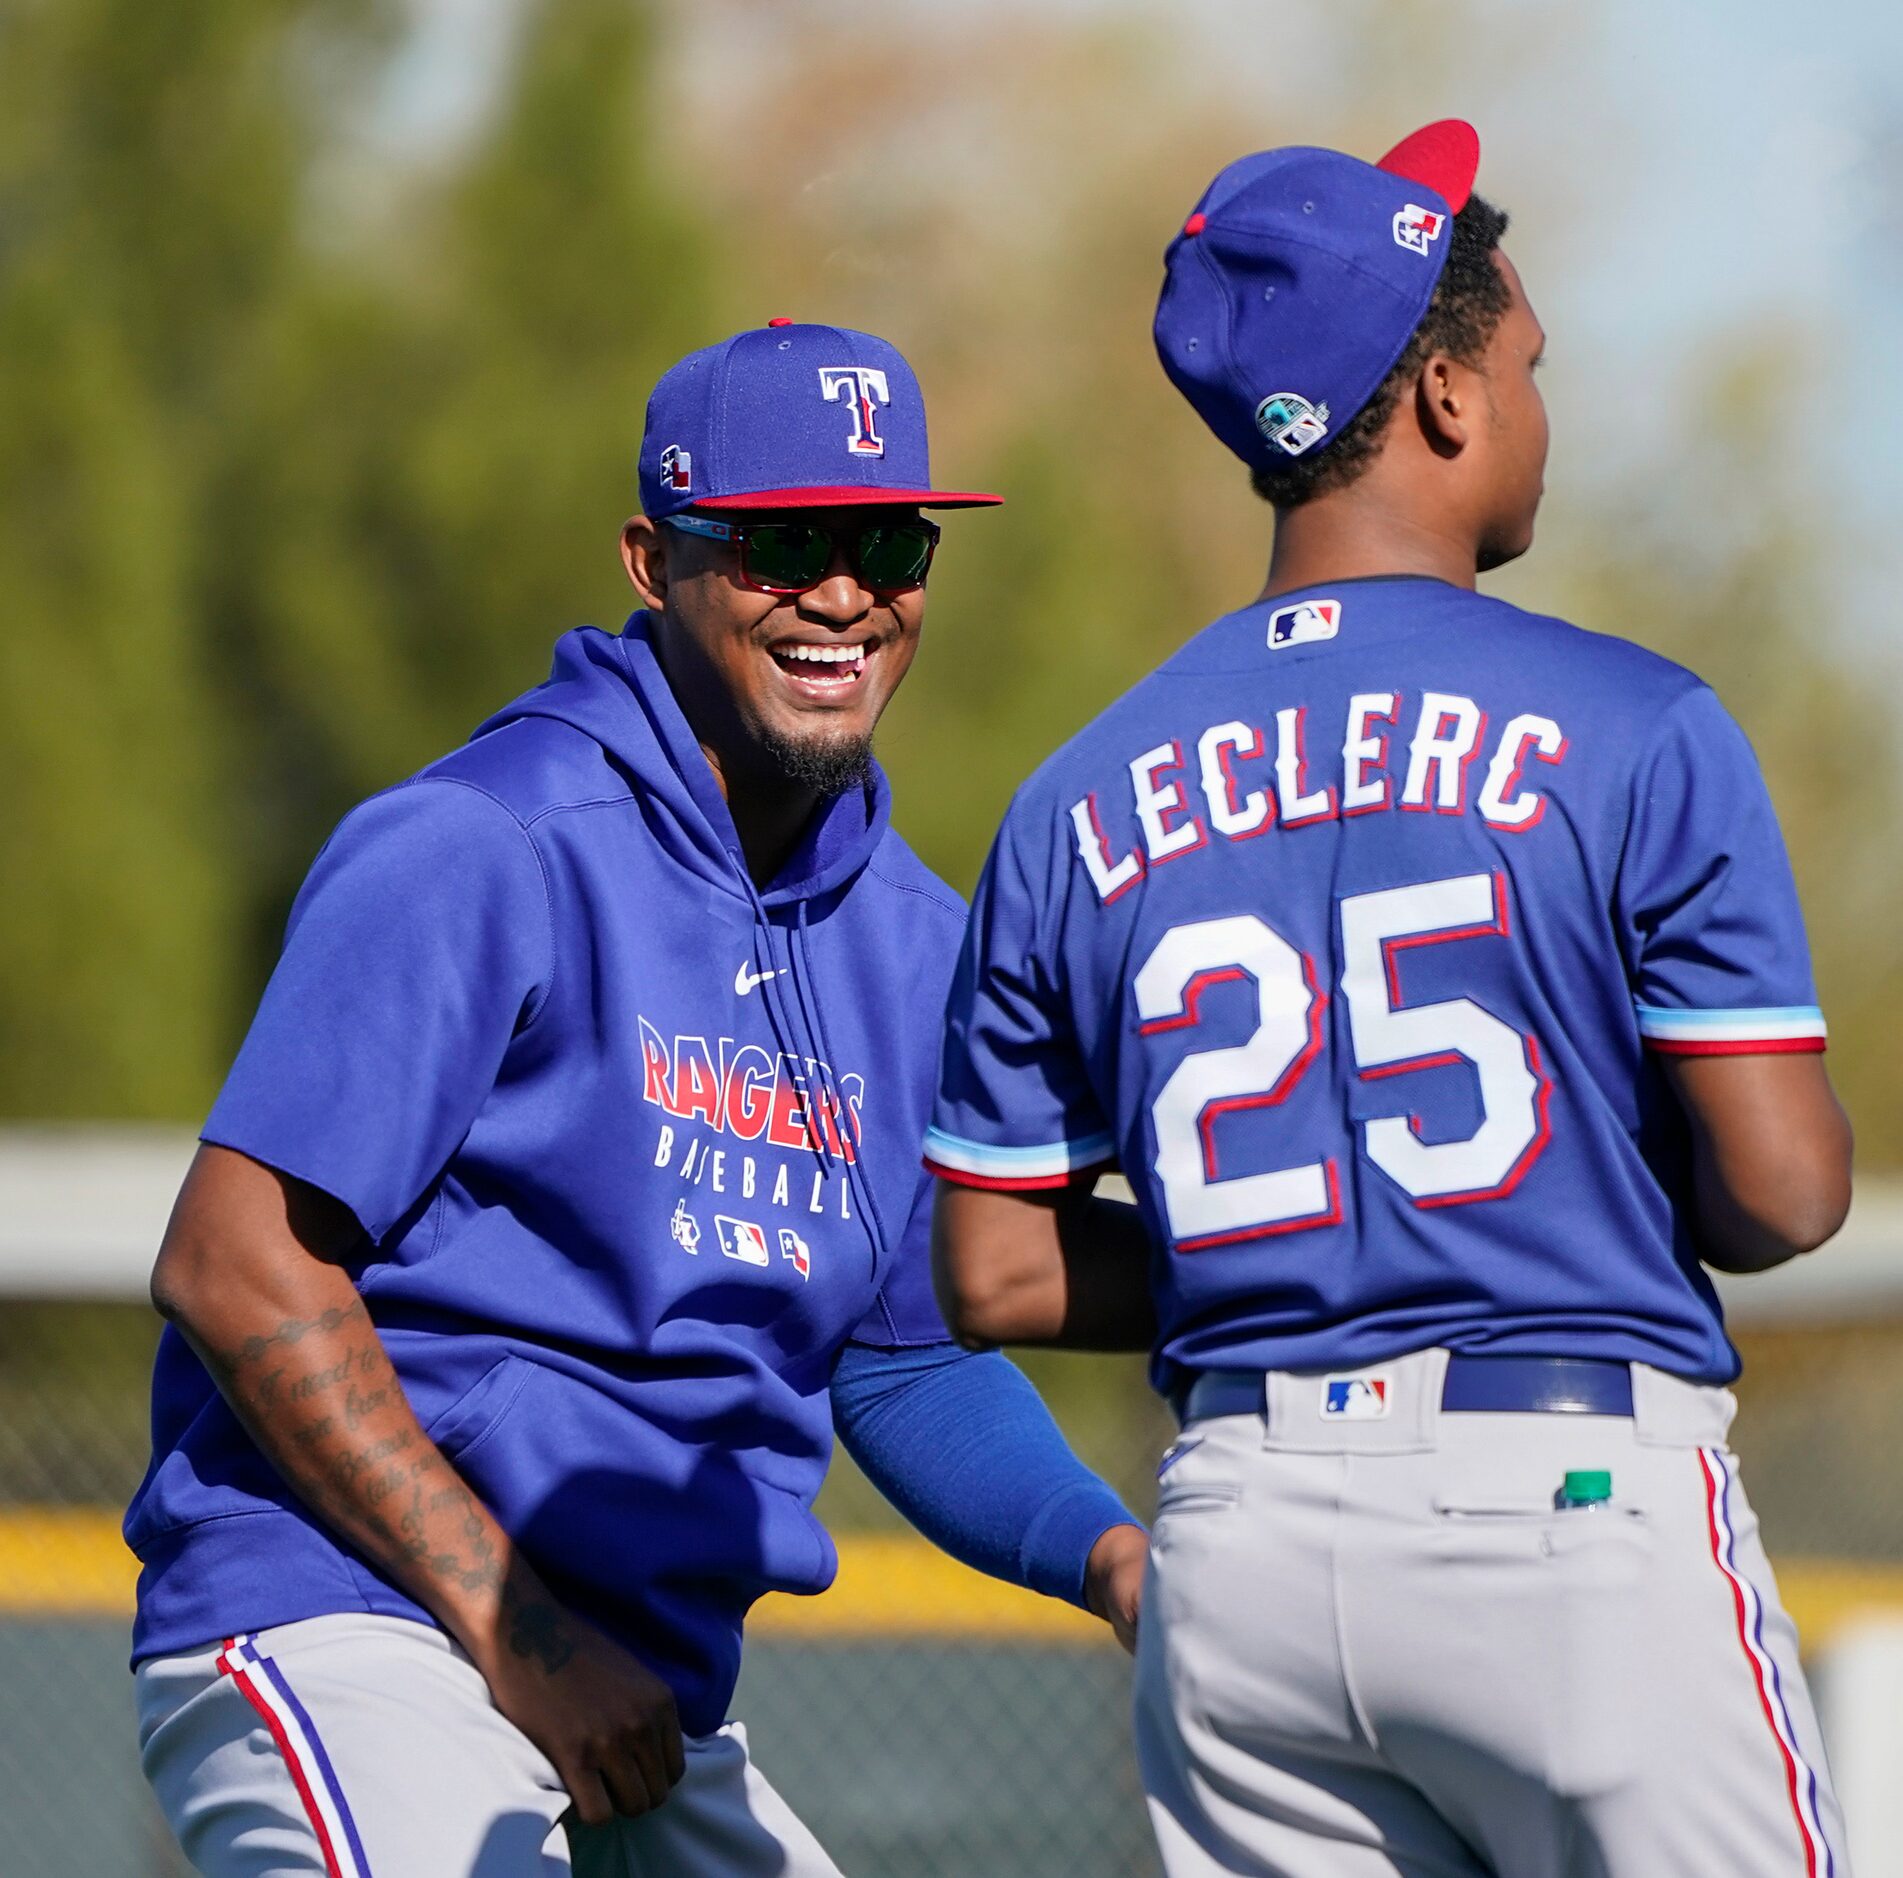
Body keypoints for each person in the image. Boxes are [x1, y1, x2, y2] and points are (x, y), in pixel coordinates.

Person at [925, 121, 1856, 1876]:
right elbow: (1789, 1193)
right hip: (1570, 1519)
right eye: (1523, 366)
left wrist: (1284, 1253)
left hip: (1241, 1548)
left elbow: (993, 1266)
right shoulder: (1637, 722)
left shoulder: (1075, 794)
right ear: (1439, 395)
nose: (1536, 405)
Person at [128, 318, 1148, 1878]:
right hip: (358, 1625)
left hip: (634, 1709)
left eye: (887, 540)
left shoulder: (916, 942)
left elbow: (905, 1362)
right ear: (651, 558)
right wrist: (513, 1624)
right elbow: (233, 1258)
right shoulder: (488, 844)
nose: (844, 592)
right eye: (778, 543)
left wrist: (1116, 1559)